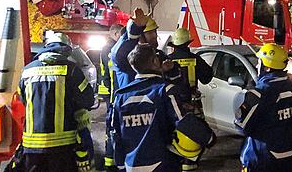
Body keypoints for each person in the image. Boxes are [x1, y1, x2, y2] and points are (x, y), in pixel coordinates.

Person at [111, 44, 215, 172]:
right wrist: (209, 138)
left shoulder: (121, 96)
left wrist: (121, 165)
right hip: (162, 164)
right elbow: (184, 121)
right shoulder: (165, 90)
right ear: (155, 61)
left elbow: (115, 134)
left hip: (131, 166)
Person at [18, 30, 95, 172]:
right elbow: (88, 100)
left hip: (32, 147)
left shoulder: (27, 71)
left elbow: (22, 99)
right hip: (63, 146)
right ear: (66, 50)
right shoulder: (72, 71)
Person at [236, 43, 292, 171]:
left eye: (259, 62)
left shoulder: (260, 93)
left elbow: (241, 125)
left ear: (266, 67)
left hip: (261, 158)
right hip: (288, 157)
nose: (257, 65)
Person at [167, 27, 213, 171]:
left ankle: (177, 159)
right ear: (188, 43)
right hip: (192, 102)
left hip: (173, 103)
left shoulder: (167, 61)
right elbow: (207, 78)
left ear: (174, 45)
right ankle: (190, 161)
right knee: (196, 130)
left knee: (173, 130)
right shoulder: (195, 59)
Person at [111, 8, 180, 91]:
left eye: (155, 31)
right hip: (132, 102)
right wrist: (135, 31)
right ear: (139, 35)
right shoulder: (128, 57)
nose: (155, 36)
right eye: (150, 33)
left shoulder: (159, 55)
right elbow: (118, 56)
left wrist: (171, 70)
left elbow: (175, 85)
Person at [98, 24, 124, 171]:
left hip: (110, 93)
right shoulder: (113, 49)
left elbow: (104, 72)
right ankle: (111, 161)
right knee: (115, 128)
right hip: (115, 93)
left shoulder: (105, 48)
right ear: (114, 34)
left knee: (111, 128)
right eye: (120, 34)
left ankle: (109, 161)